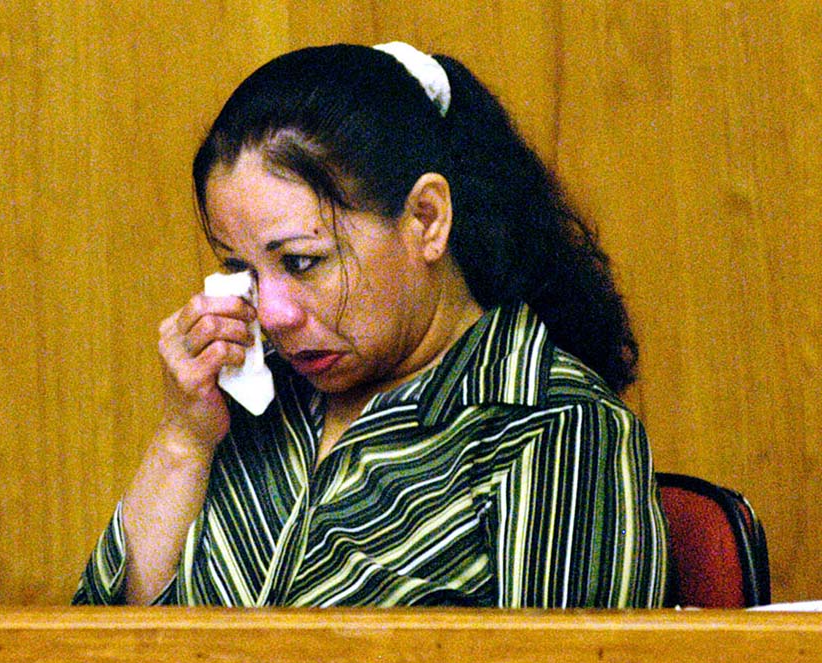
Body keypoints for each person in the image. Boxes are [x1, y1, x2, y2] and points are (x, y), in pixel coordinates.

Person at [73, 42, 669, 607]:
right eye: (243, 271)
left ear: (427, 219)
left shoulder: (552, 426)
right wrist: (184, 440)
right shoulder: (254, 407)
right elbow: (97, 658)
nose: (274, 315)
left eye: (303, 261)